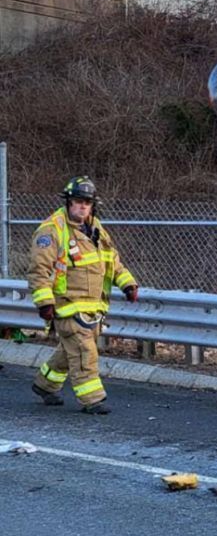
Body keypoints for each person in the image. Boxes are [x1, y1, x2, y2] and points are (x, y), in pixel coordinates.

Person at [27, 176, 139, 414]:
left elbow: (112, 261)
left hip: (93, 307)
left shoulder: (96, 228)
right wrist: (45, 303)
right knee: (84, 351)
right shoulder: (52, 231)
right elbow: (39, 271)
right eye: (78, 201)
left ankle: (44, 384)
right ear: (68, 202)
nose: (82, 206)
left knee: (70, 351)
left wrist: (128, 284)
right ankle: (92, 399)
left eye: (87, 202)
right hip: (67, 306)